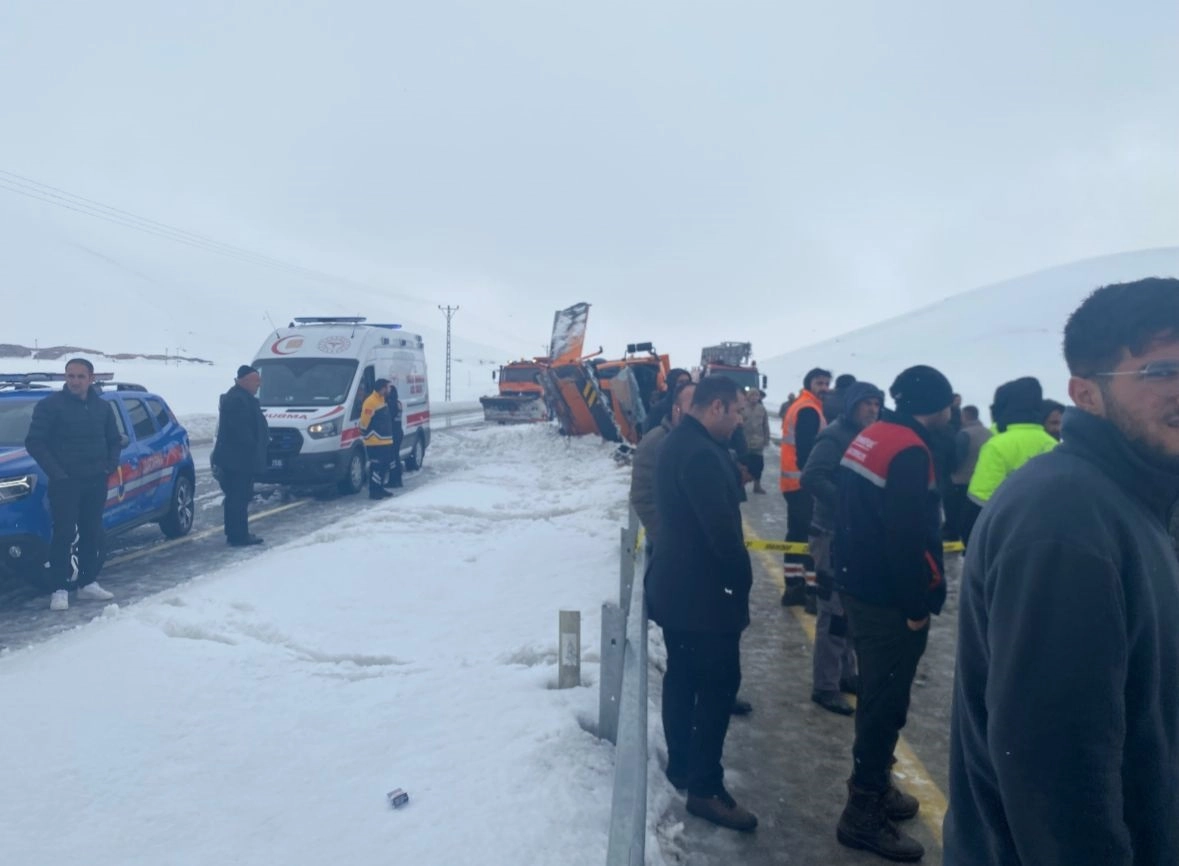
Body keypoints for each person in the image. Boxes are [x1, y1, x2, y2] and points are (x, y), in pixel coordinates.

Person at [944, 278, 1179, 865]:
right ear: (1086, 393)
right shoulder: (1067, 517)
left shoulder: (1136, 498)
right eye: (1161, 371)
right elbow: (1057, 778)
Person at [834, 364, 954, 862]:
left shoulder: (873, 435)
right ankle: (862, 812)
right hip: (887, 600)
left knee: (877, 696)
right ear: (936, 405)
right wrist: (915, 607)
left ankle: (876, 786)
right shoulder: (909, 451)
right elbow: (906, 538)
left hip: (859, 585)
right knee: (885, 704)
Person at [646, 375, 757, 832]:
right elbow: (723, 536)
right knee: (716, 686)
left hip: (679, 589)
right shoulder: (701, 455)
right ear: (716, 407)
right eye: (737, 412)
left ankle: (683, 766)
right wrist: (740, 584)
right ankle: (706, 789)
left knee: (684, 677)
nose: (739, 421)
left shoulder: (679, 443)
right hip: (704, 597)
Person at [801, 381, 883, 716]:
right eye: (867, 403)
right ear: (852, 405)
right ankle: (825, 685)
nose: (873, 409)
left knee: (849, 609)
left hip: (854, 536)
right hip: (831, 534)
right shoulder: (834, 436)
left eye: (877, 403)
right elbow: (812, 477)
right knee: (833, 611)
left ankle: (846, 674)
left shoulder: (866, 435)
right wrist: (850, 505)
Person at [24, 358, 121, 611]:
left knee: (91, 531)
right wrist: (58, 473)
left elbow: (114, 440)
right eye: (70, 376)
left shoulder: (102, 407)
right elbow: (34, 441)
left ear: (91, 378)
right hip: (65, 482)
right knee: (64, 534)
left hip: (95, 480)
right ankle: (59, 589)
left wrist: (109, 465)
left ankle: (87, 583)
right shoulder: (50, 406)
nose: (75, 381)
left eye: (80, 376)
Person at [960, 377, 1057, 543]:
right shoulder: (1053, 445)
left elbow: (980, 502)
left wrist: (969, 539)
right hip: (1047, 536)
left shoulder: (997, 446)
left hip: (1007, 537)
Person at [779, 367, 831, 608]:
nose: (824, 388)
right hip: (804, 484)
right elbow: (806, 451)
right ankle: (810, 592)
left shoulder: (804, 405)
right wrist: (815, 480)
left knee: (796, 536)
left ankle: (793, 587)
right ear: (809, 384)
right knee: (811, 538)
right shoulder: (809, 409)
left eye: (826, 383)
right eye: (819, 383)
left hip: (793, 483)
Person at [629, 381, 695, 548]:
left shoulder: (700, 441)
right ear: (676, 409)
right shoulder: (655, 441)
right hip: (672, 547)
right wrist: (669, 538)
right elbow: (642, 497)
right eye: (693, 406)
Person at [211, 365, 269, 546]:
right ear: (245, 381)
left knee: (237, 497)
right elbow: (241, 432)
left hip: (238, 459)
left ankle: (235, 533)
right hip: (237, 460)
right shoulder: (237, 400)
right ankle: (239, 536)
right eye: (256, 381)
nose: (259, 385)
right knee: (238, 497)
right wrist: (253, 446)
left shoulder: (242, 397)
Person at [944, 405, 991, 541]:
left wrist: (949, 471)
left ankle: (954, 537)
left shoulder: (964, 434)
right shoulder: (989, 433)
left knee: (956, 513)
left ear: (964, 417)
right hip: (981, 479)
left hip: (961, 480)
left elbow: (957, 458)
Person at [360, 379, 396, 500]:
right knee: (376, 466)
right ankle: (374, 491)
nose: (390, 390)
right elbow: (364, 421)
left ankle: (380, 488)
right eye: (388, 387)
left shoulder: (381, 400)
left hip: (385, 440)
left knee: (384, 467)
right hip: (375, 441)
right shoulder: (371, 402)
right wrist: (365, 432)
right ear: (382, 388)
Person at [739, 388, 771, 494]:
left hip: (758, 442)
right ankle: (741, 486)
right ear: (748, 397)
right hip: (744, 442)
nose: (754, 398)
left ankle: (757, 486)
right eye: (752, 395)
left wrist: (766, 439)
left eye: (756, 396)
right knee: (744, 465)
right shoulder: (742, 408)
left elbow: (765, 425)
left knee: (758, 465)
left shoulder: (762, 409)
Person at [642, 368, 692, 434]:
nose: (685, 385)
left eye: (687, 382)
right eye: (681, 382)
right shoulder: (659, 408)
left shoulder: (692, 405)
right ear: (672, 383)